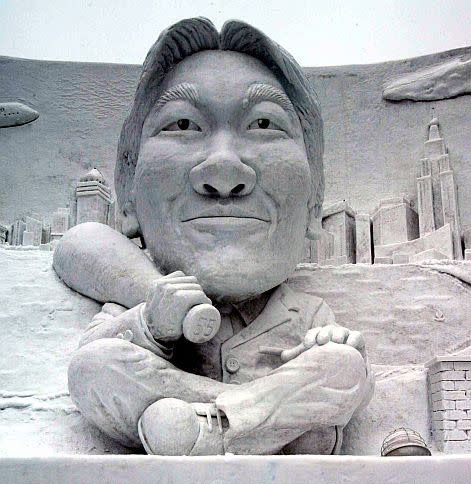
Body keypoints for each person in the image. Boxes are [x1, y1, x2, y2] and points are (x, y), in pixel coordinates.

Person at [54, 17, 373, 456]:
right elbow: (98, 347)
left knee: (344, 368)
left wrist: (329, 341)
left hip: (176, 419)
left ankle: (202, 429)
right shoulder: (138, 293)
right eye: (182, 125)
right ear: (126, 187)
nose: (223, 172)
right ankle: (266, 429)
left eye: (264, 125)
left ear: (315, 202)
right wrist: (151, 323)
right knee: (94, 365)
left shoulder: (306, 309)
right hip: (254, 408)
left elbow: (333, 354)